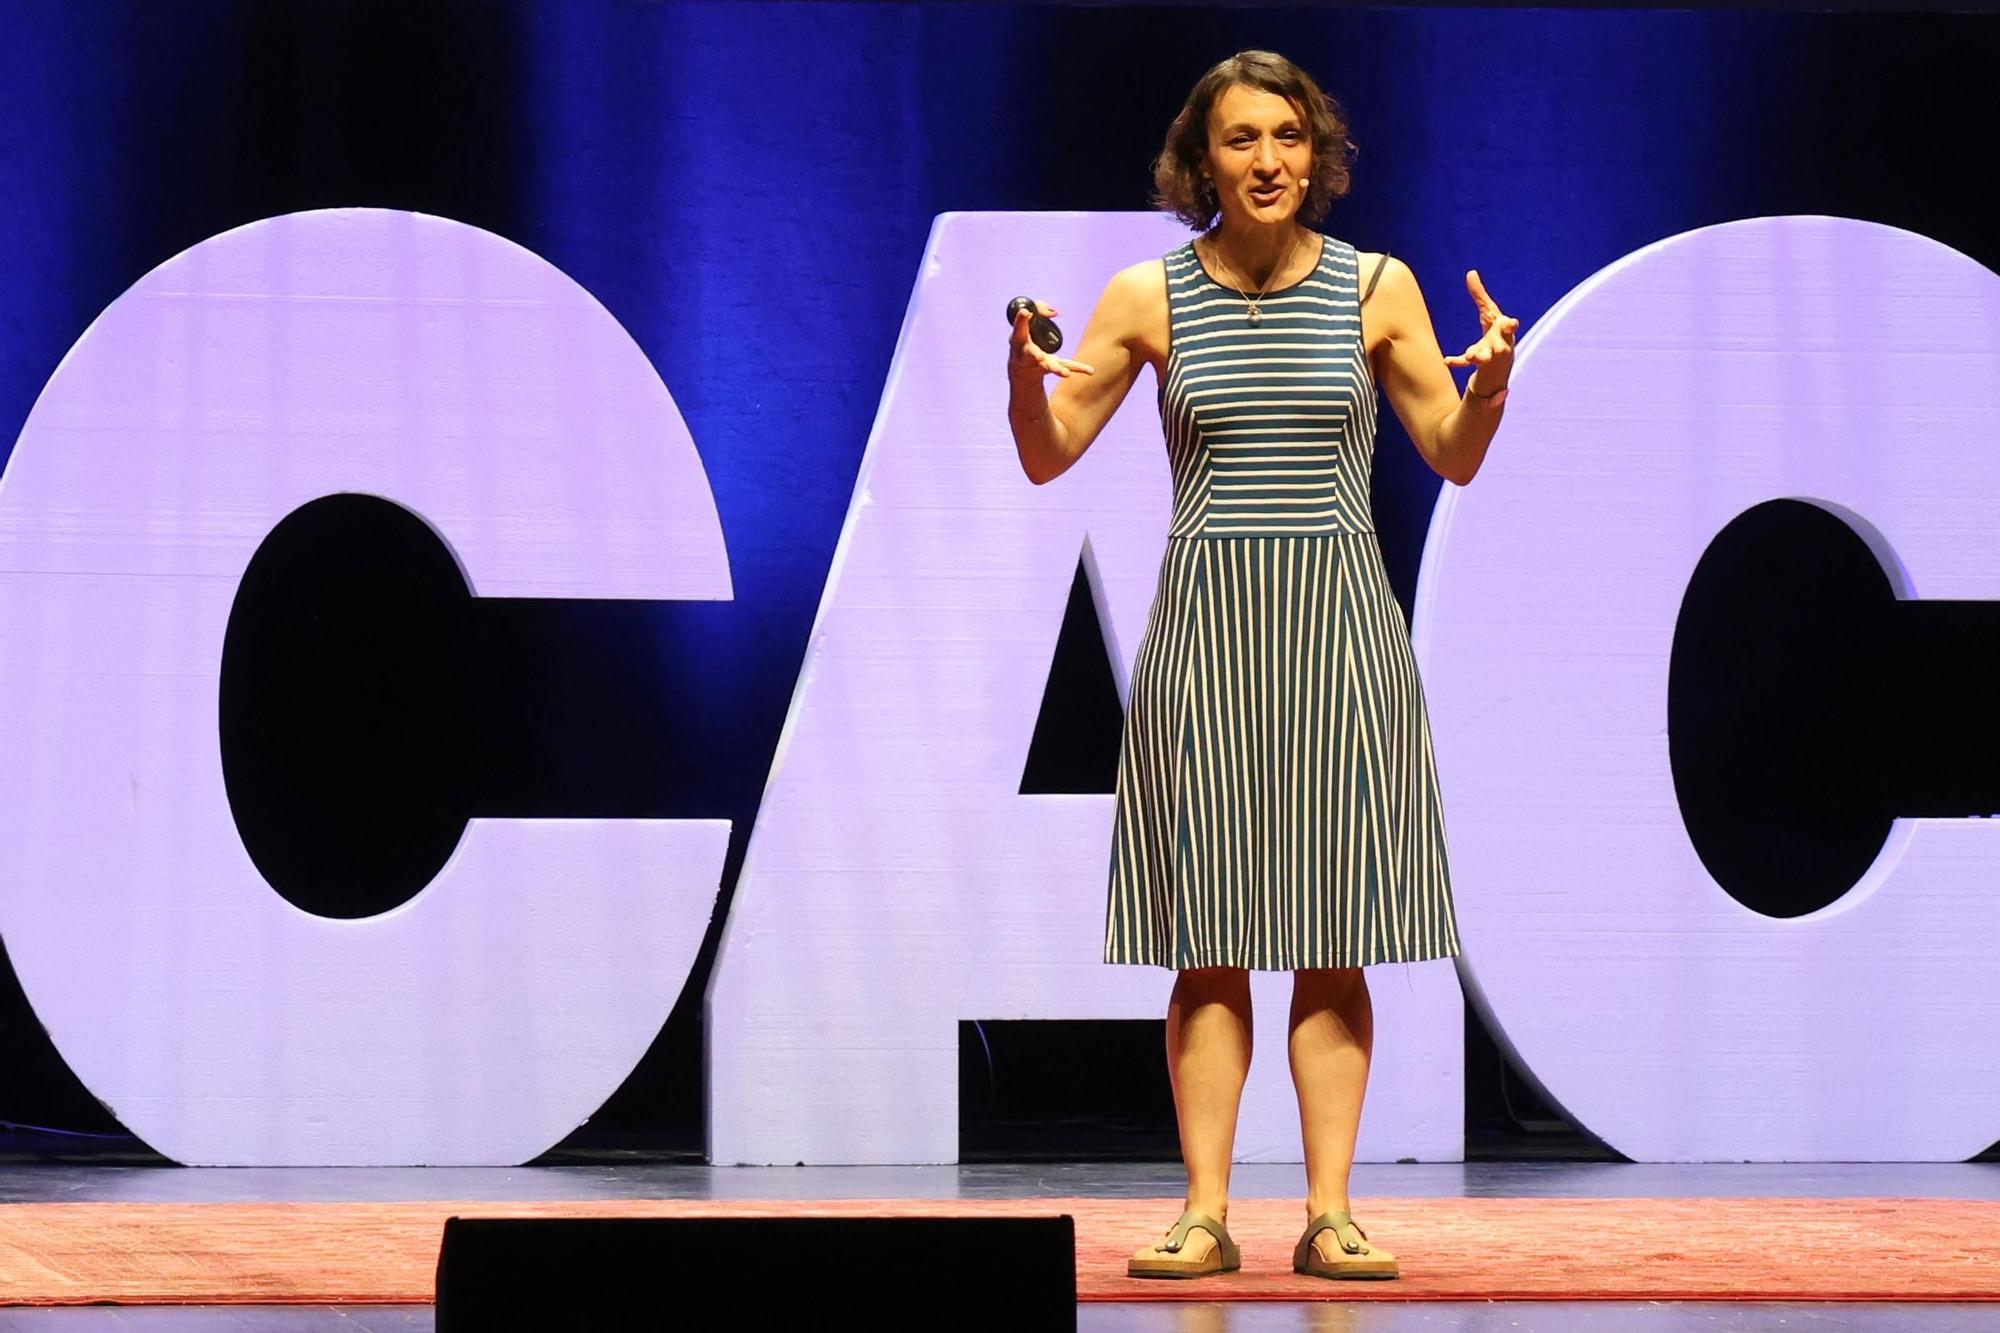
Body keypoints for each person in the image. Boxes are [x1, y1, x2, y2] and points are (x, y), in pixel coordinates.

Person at [1005, 49, 1515, 1281]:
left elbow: (1449, 453)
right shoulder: (1147, 295)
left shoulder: (1375, 287)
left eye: (1286, 136)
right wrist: (1022, 385)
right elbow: (1045, 455)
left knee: (1332, 934)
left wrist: (1490, 388)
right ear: (1199, 164)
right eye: (1239, 140)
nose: (1267, 160)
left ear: (1317, 154)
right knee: (1210, 937)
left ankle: (1331, 1211)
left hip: (1340, 627)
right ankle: (1203, 1209)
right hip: (1206, 636)